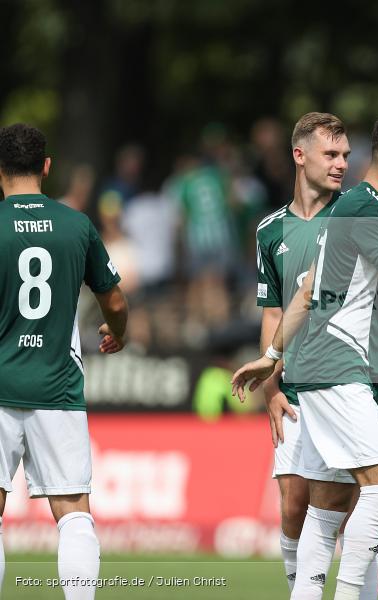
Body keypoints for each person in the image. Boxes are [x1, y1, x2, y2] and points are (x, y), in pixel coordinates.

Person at [231, 113, 378, 600]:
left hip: (320, 370)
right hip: (340, 369)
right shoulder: (367, 211)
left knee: (325, 512)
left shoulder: (348, 211)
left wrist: (273, 355)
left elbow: (305, 291)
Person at [0, 123, 128, 599]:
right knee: (73, 511)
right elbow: (113, 301)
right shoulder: (76, 224)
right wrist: (117, 334)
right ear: (47, 166)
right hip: (57, 388)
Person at [254, 112, 349, 593]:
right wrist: (270, 386)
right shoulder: (270, 231)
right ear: (300, 155)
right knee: (292, 504)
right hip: (291, 388)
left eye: (345, 156)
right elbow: (272, 315)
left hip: (346, 383)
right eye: (331, 154)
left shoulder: (354, 216)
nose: (341, 164)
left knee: (345, 512)